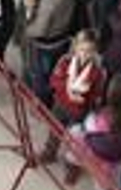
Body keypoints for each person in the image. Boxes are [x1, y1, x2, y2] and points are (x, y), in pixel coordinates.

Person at [42, 29, 106, 164]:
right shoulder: (65, 61)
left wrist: (87, 101)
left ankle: (72, 164)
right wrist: (67, 90)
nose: (84, 54)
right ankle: (49, 153)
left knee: (76, 139)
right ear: (76, 46)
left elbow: (97, 95)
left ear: (95, 51)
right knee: (54, 131)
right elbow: (54, 80)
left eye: (89, 51)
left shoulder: (98, 71)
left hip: (79, 111)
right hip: (60, 104)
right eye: (82, 49)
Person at [21, 0, 80, 103]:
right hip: (62, 39)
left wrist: (28, 12)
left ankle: (42, 104)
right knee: (54, 72)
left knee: (40, 76)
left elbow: (39, 29)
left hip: (45, 44)